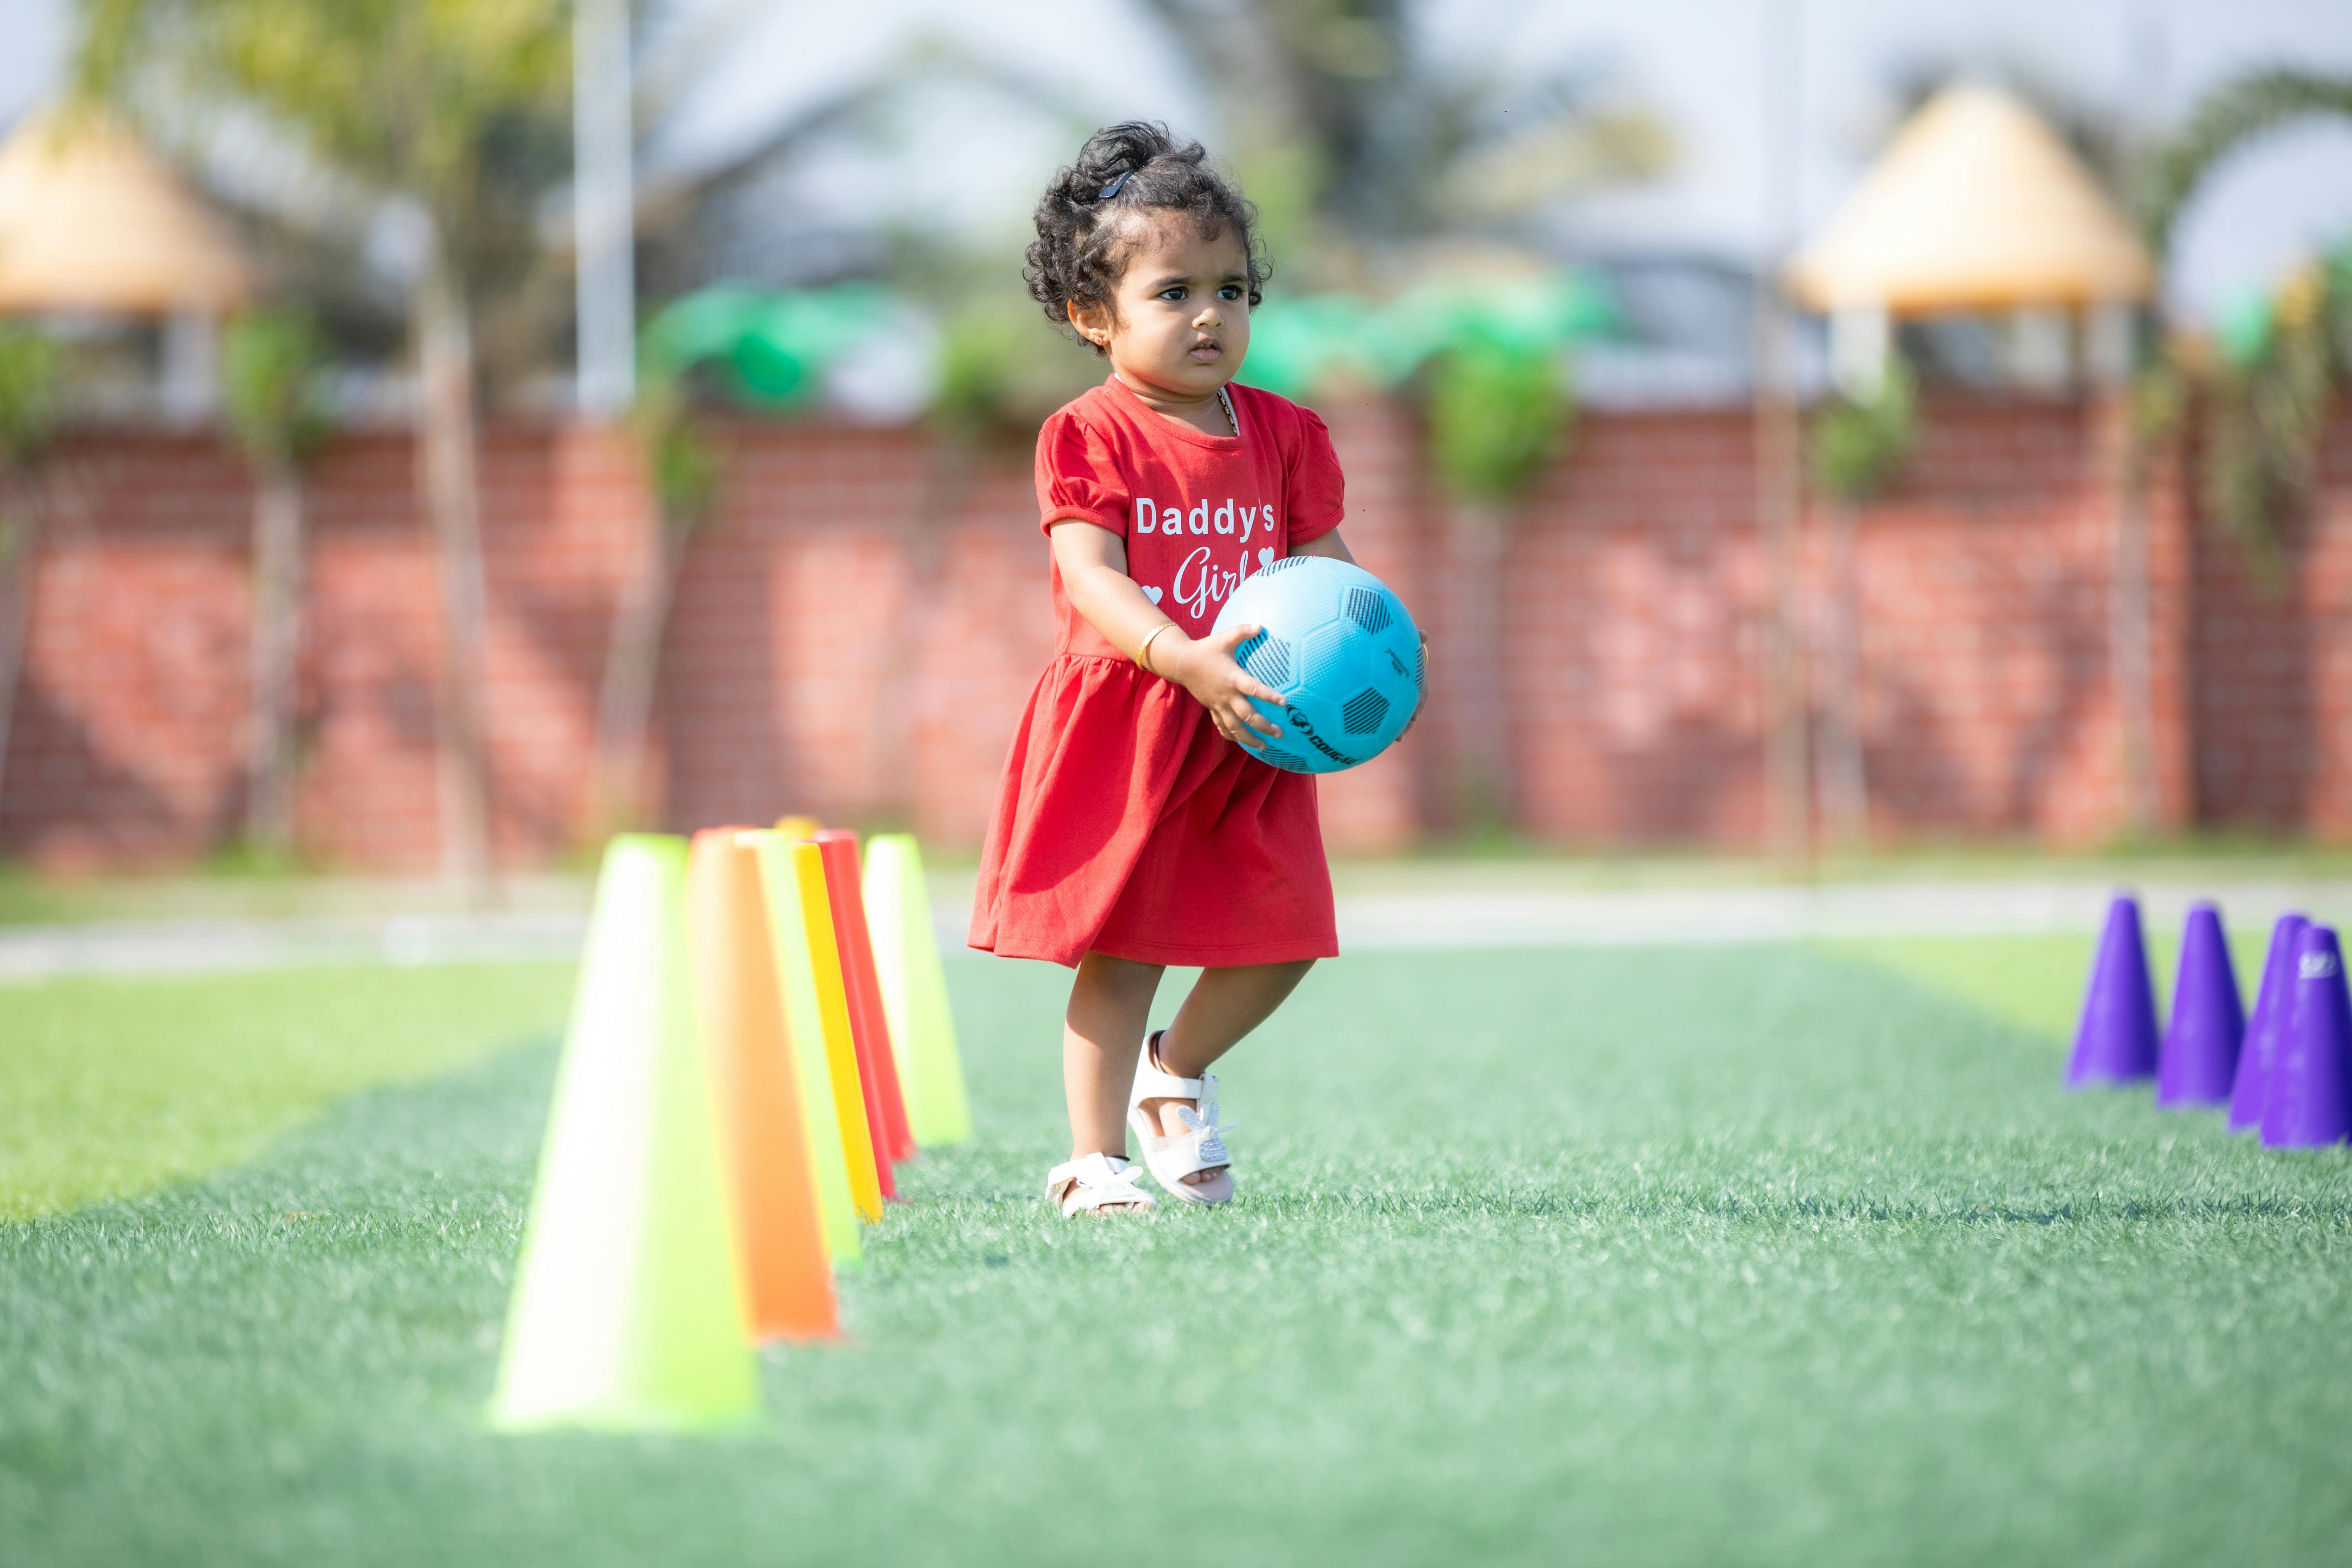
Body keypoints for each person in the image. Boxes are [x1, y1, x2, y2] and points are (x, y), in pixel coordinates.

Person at [969, 121, 1366, 1217]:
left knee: (1287, 933)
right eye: (1174, 291)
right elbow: (1090, 576)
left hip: (1252, 726)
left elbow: (1323, 567)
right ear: (1093, 318)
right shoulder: (1086, 436)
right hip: (1137, 715)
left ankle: (1175, 1074)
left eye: (1232, 290)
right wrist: (1180, 655)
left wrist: (1377, 633)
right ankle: (1090, 1159)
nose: (1209, 314)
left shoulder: (1287, 433)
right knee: (1126, 946)